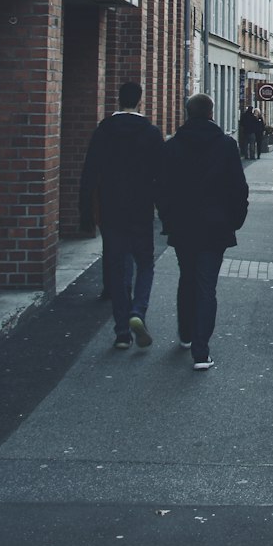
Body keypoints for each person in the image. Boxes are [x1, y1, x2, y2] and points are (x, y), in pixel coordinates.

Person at [158, 93, 249, 371]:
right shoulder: (225, 145)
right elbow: (239, 189)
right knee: (206, 285)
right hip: (215, 226)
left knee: (187, 278)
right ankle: (201, 351)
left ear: (188, 113)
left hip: (183, 225)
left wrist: (167, 220)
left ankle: (186, 334)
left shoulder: (173, 146)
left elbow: (161, 189)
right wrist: (235, 220)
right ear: (211, 113)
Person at [79, 81, 165, 351]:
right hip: (140, 210)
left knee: (118, 268)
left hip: (111, 209)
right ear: (140, 100)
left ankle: (121, 333)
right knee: (145, 264)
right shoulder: (151, 133)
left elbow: (89, 172)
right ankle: (138, 311)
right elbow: (161, 176)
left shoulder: (104, 131)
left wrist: (85, 213)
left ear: (118, 100)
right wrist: (164, 212)